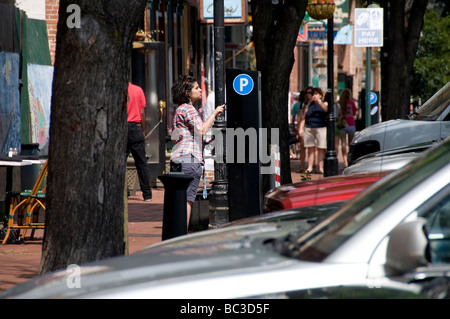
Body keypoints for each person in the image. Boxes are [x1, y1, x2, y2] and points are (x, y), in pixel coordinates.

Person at [170, 75, 225, 226]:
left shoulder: (179, 111)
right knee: (187, 200)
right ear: (187, 93)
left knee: (178, 199)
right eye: (196, 88)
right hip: (190, 160)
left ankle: (176, 232)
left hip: (178, 159)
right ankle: (182, 233)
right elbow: (201, 130)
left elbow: (175, 139)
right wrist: (214, 114)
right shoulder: (189, 109)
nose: (201, 90)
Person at [126, 82, 152, 201]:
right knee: (141, 162)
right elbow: (142, 113)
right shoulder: (138, 90)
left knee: (121, 163)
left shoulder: (117, 89)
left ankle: (124, 191)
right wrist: (143, 130)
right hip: (136, 127)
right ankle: (147, 194)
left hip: (123, 127)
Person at [298, 87, 327, 174]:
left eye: (316, 94)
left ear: (320, 95)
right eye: (313, 94)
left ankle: (320, 167)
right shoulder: (308, 105)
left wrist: (319, 102)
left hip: (320, 127)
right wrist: (300, 129)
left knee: (320, 148)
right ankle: (310, 167)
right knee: (310, 148)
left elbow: (326, 110)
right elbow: (304, 117)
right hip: (309, 127)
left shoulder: (324, 103)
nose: (314, 96)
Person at [338, 88, 358, 167]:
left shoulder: (340, 103)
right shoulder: (352, 102)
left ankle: (345, 161)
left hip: (342, 124)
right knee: (351, 143)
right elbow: (355, 111)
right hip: (351, 123)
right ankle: (351, 159)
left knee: (343, 144)